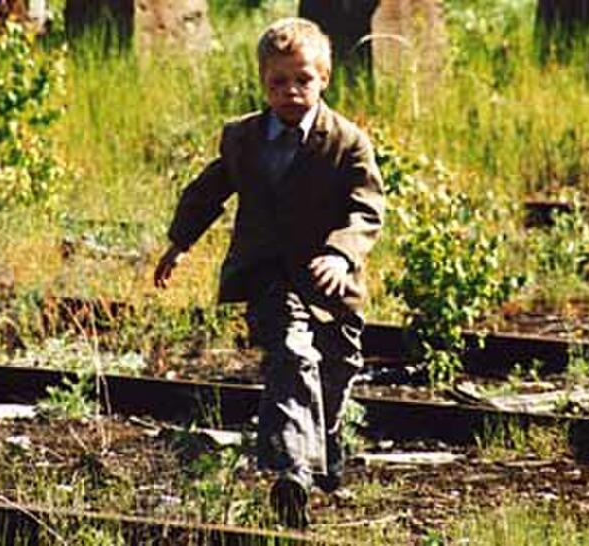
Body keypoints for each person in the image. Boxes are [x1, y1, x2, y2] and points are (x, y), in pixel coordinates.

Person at [153, 17, 384, 529]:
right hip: (268, 274)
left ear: (324, 78)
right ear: (263, 83)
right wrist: (179, 243)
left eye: (302, 79)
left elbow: (366, 209)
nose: (290, 92)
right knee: (293, 355)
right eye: (278, 82)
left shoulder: (347, 142)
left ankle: (325, 451)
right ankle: (291, 472)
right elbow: (208, 190)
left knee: (335, 371)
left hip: (330, 282)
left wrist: (341, 254)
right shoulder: (244, 137)